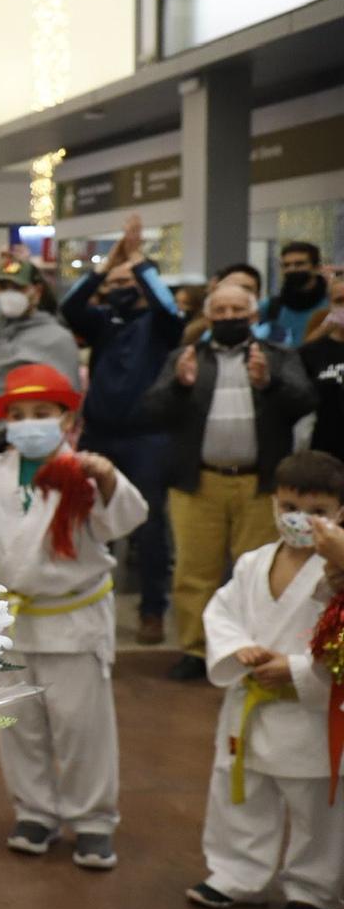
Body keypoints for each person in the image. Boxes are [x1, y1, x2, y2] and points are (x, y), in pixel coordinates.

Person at [0, 364, 146, 871]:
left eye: (41, 414)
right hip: (11, 618)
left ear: (66, 418)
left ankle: (93, 820)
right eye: (19, 414)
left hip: (73, 618)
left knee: (81, 726)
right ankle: (34, 811)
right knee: (19, 723)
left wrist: (110, 479)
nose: (29, 423)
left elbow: (124, 519)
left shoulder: (84, 469)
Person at [187, 450, 344, 909]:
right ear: (274, 503)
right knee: (241, 794)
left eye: (318, 510)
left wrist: (298, 671)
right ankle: (237, 873)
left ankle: (312, 890)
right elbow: (222, 612)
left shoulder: (337, 569)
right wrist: (239, 649)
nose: (302, 519)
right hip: (251, 699)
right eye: (291, 506)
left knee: (318, 805)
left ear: (340, 512)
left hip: (309, 709)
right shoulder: (253, 562)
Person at [144, 283, 317, 681]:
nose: (227, 317)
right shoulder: (185, 357)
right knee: (193, 571)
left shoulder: (277, 356)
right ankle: (195, 649)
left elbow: (306, 401)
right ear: (208, 316)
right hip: (198, 482)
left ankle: (252, 649)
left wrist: (269, 383)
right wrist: (179, 385)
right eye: (219, 310)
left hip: (260, 484)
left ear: (253, 315)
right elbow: (152, 410)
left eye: (236, 309)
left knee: (256, 570)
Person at [61, 216, 188, 647]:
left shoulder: (160, 324)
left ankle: (153, 610)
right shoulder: (102, 321)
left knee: (149, 526)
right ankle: (83, 596)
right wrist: (104, 267)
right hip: (100, 432)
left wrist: (138, 262)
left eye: (126, 280)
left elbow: (170, 308)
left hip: (147, 437)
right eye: (112, 281)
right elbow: (70, 308)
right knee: (84, 517)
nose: (119, 286)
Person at [0, 262, 81, 464]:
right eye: (3, 288)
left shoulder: (56, 337)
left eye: (18, 288)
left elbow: (69, 402)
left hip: (13, 449)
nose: (9, 294)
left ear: (36, 291)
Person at [301, 276, 344, 461]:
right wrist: (322, 331)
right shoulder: (312, 351)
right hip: (323, 453)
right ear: (330, 305)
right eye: (340, 301)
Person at [262, 242, 327, 346]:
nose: (292, 269)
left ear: (317, 268)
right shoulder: (270, 306)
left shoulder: (332, 303)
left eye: (299, 264)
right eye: (286, 265)